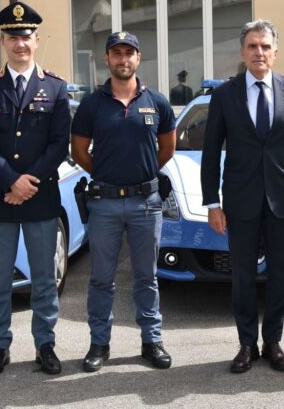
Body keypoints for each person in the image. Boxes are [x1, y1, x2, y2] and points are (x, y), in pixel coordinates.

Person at [201, 19, 284, 373]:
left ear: (275, 52)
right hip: (240, 202)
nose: (259, 52)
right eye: (252, 46)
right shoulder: (224, 95)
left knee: (280, 275)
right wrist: (212, 204)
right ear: (242, 51)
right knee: (241, 276)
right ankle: (246, 344)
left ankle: (273, 342)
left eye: (265, 46)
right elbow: (210, 153)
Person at [0, 1, 70, 377]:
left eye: (26, 37)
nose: (20, 44)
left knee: (44, 278)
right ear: (3, 41)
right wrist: (11, 180)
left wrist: (27, 184)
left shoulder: (56, 88)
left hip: (40, 199)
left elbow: (59, 144)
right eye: (13, 37)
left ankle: (45, 345)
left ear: (37, 40)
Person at [71, 31, 176, 372]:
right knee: (102, 278)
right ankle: (99, 344)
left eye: (129, 53)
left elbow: (167, 148)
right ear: (107, 59)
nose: (123, 59)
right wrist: (106, 173)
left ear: (138, 58)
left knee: (147, 277)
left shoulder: (157, 102)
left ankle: (152, 341)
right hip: (104, 204)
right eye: (116, 53)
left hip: (147, 202)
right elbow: (78, 151)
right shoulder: (91, 105)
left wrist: (142, 174)